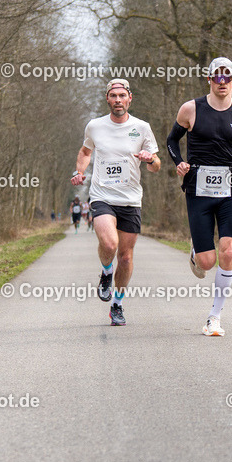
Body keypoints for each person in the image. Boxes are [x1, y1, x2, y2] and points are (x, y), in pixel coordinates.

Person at [166, 57, 232, 337]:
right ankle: (198, 252)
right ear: (208, 78)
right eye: (217, 77)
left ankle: (214, 317)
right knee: (207, 263)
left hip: (231, 188)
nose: (222, 82)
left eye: (227, 77)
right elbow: (172, 141)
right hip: (198, 189)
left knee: (229, 251)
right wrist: (179, 163)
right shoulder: (191, 109)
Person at [72, 79, 160, 326]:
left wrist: (149, 159)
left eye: (122, 95)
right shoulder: (95, 126)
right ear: (107, 99)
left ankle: (118, 304)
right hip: (102, 196)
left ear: (130, 98)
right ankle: (106, 273)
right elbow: (85, 152)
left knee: (126, 258)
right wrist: (79, 172)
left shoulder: (142, 128)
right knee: (109, 244)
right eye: (113, 96)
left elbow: (156, 166)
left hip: (131, 199)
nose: (118, 100)